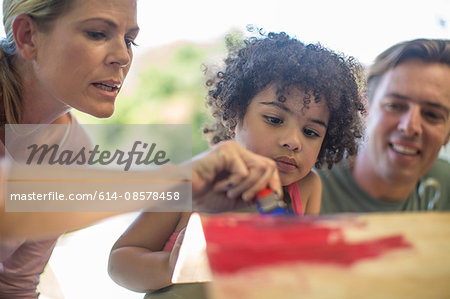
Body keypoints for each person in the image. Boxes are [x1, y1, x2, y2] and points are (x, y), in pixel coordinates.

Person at [0, 1, 281, 298]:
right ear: (28, 36)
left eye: (129, 40)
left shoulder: (72, 144)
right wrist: (181, 179)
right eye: (97, 33)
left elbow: (14, 284)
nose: (123, 56)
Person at [108, 31, 365, 292]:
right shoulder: (194, 181)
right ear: (233, 116)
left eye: (311, 132)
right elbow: (119, 261)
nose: (293, 141)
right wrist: (169, 265)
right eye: (274, 120)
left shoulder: (307, 188)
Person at [317, 38, 450, 213]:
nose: (410, 127)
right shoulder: (302, 185)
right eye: (395, 106)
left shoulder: (445, 184)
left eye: (432, 115)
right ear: (364, 107)